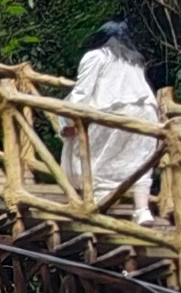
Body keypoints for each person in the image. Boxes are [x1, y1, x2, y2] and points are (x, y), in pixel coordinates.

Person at [61, 17, 166, 215]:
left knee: (98, 158)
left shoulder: (96, 56)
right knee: (140, 161)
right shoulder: (134, 60)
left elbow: (81, 94)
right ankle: (142, 210)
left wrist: (68, 121)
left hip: (113, 111)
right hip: (147, 112)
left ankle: (100, 207)